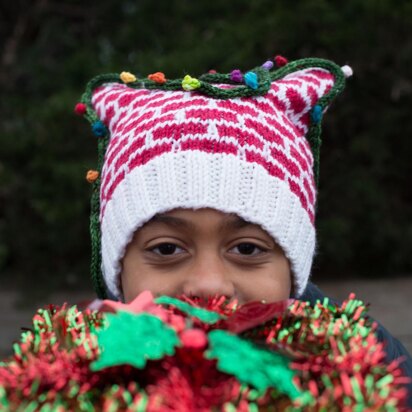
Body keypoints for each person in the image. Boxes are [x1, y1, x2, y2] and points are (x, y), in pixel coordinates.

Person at [76, 56, 411, 404]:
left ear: (293, 270)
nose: (209, 285)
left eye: (247, 249)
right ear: (118, 270)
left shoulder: (374, 376)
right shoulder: (66, 380)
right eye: (166, 249)